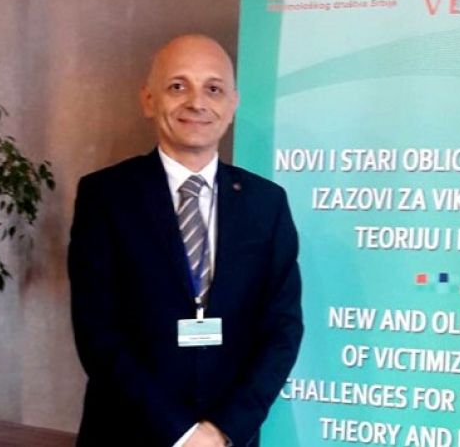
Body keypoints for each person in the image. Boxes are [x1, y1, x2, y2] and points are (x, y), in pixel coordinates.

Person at [68, 34, 303, 447]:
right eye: (178, 86)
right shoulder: (106, 197)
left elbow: (282, 329)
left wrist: (224, 430)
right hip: (128, 433)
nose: (197, 103)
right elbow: (98, 333)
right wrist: (182, 433)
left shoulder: (267, 204)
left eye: (213, 89)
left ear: (232, 104)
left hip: (229, 438)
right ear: (149, 100)